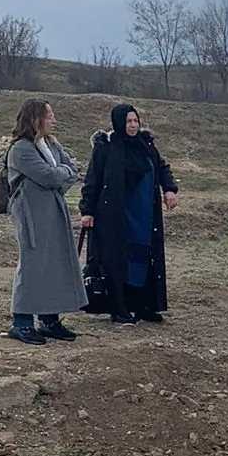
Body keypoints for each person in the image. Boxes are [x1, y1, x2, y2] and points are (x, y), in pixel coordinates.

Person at [79, 103, 177, 325]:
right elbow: (92, 180)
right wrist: (87, 210)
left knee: (144, 260)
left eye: (135, 121)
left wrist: (169, 189)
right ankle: (118, 307)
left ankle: (143, 305)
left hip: (144, 214)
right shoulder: (106, 147)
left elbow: (162, 168)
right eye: (128, 121)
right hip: (116, 215)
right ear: (119, 123)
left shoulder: (146, 145)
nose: (132, 125)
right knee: (118, 260)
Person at [5, 98, 85, 344]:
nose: (54, 120)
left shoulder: (50, 145)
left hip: (52, 212)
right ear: (36, 118)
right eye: (49, 116)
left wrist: (62, 173)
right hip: (31, 215)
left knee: (53, 264)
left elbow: (71, 169)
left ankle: (49, 320)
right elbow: (51, 176)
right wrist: (62, 173)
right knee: (32, 266)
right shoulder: (21, 149)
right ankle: (21, 322)